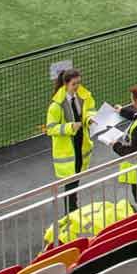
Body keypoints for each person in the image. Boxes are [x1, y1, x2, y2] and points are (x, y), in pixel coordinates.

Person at [45, 68, 94, 213]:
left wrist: (90, 119)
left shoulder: (82, 96)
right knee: (70, 185)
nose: (77, 87)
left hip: (79, 144)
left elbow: (88, 110)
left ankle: (73, 209)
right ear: (65, 84)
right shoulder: (56, 106)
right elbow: (51, 129)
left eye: (78, 83)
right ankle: (70, 212)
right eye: (74, 84)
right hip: (67, 150)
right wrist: (70, 127)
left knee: (75, 180)